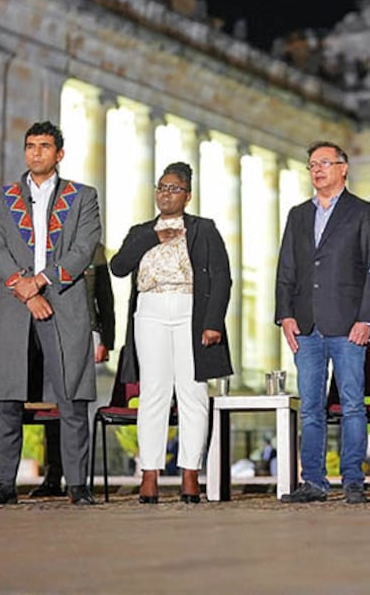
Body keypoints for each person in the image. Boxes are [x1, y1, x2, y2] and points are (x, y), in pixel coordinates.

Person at [0, 121, 102, 506]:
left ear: (59, 154)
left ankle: (78, 484)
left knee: (71, 396)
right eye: (30, 146)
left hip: (64, 303)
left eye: (44, 146)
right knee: (9, 398)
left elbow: (84, 248)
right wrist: (26, 287)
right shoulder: (2, 197)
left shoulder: (83, 197)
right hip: (17, 305)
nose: (36, 152)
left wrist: (43, 281)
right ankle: (3, 484)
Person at [111, 162, 231, 504]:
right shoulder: (140, 230)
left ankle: (191, 475)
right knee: (153, 393)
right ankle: (149, 474)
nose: (166, 194)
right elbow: (119, 267)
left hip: (189, 311)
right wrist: (153, 237)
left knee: (192, 392)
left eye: (174, 188)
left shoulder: (204, 229)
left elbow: (222, 277)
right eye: (161, 187)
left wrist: (213, 322)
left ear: (188, 195)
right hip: (149, 311)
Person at [276, 141, 370, 505]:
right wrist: (285, 315)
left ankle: (353, 479)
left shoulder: (363, 212)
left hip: (348, 323)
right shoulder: (297, 215)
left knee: (352, 403)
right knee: (310, 407)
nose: (317, 170)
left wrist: (367, 318)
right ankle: (314, 482)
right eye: (311, 165)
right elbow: (286, 269)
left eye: (324, 163)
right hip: (306, 326)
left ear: (343, 168)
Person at [29, 242, 114, 499]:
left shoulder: (93, 249)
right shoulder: (43, 245)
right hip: (45, 330)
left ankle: (77, 479)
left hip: (83, 332)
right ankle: (53, 475)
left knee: (75, 406)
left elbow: (104, 298)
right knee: (52, 408)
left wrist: (106, 339)